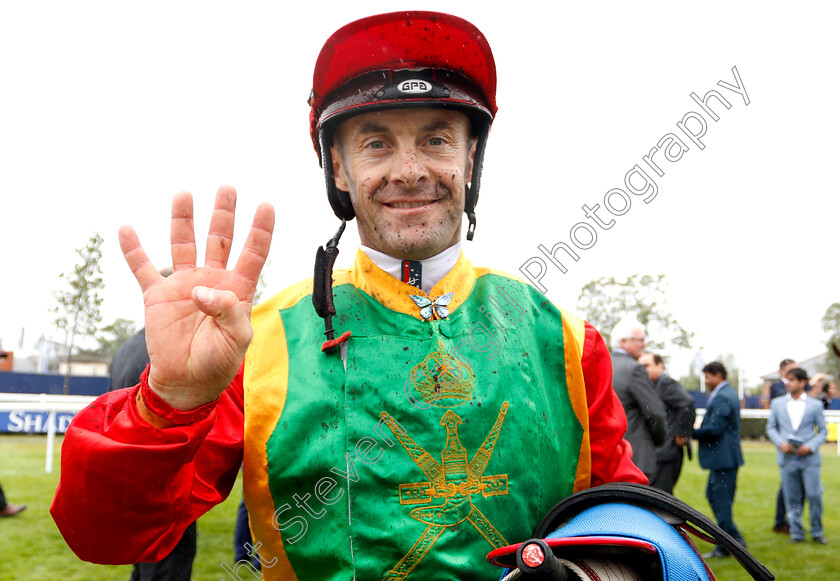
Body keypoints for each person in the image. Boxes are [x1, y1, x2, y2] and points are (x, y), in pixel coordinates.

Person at [50, 11, 647, 581]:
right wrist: (168, 403)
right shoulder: (261, 342)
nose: (410, 170)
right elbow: (106, 535)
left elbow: (630, 519)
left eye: (437, 140)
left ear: (471, 157)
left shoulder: (566, 339)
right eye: (377, 144)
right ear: (338, 169)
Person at [109, 291, 198, 581]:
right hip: (165, 485)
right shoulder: (169, 345)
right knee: (166, 568)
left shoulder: (126, 346)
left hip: (130, 475)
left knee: (143, 566)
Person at [766, 367, 828, 544]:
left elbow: (823, 431)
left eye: (792, 380)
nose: (788, 383)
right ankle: (796, 533)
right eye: (787, 380)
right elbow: (771, 428)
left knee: (814, 495)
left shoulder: (815, 404)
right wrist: (780, 443)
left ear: (802, 382)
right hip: (787, 458)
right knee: (791, 498)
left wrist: (811, 446)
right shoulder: (777, 403)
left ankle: (817, 532)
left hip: (810, 459)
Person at [692, 361, 745, 558]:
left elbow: (715, 428)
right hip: (724, 459)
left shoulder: (723, 396)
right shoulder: (726, 394)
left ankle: (730, 544)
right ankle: (734, 541)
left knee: (720, 502)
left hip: (724, 459)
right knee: (715, 497)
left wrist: (690, 433)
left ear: (718, 376)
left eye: (707, 377)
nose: (705, 381)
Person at [609, 318, 666, 480]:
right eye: (640, 340)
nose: (644, 344)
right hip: (635, 457)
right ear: (624, 341)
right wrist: (659, 441)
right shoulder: (634, 369)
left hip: (607, 456)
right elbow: (655, 412)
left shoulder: (602, 363)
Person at [638, 353, 696, 495]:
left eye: (647, 366)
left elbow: (687, 403)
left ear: (660, 365)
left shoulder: (665, 383)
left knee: (661, 496)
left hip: (668, 452)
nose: (644, 370)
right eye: (641, 367)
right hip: (662, 451)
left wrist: (682, 434)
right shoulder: (654, 385)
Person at [761, 358, 796, 534]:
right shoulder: (778, 387)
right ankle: (781, 522)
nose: (795, 374)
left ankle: (788, 522)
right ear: (782, 371)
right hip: (786, 444)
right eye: (792, 371)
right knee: (788, 483)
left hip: (799, 445)